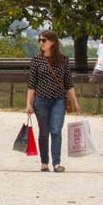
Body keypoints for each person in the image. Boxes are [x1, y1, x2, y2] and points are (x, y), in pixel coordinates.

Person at [24, 30, 80, 173]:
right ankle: (44, 162)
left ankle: (56, 163)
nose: (41, 43)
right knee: (44, 132)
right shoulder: (36, 60)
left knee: (56, 131)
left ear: (53, 42)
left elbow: (68, 83)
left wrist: (75, 102)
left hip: (58, 100)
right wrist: (28, 104)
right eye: (40, 40)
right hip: (41, 100)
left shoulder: (63, 60)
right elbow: (31, 85)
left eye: (44, 40)